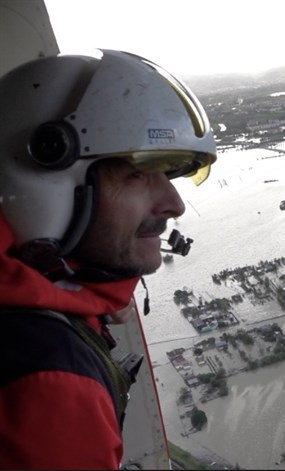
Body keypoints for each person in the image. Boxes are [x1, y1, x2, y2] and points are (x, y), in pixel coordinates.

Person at [0, 49, 216, 469]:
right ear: (48, 189)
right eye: (136, 174)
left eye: (168, 175)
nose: (175, 205)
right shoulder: (52, 386)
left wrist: (94, 300)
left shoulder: (33, 313)